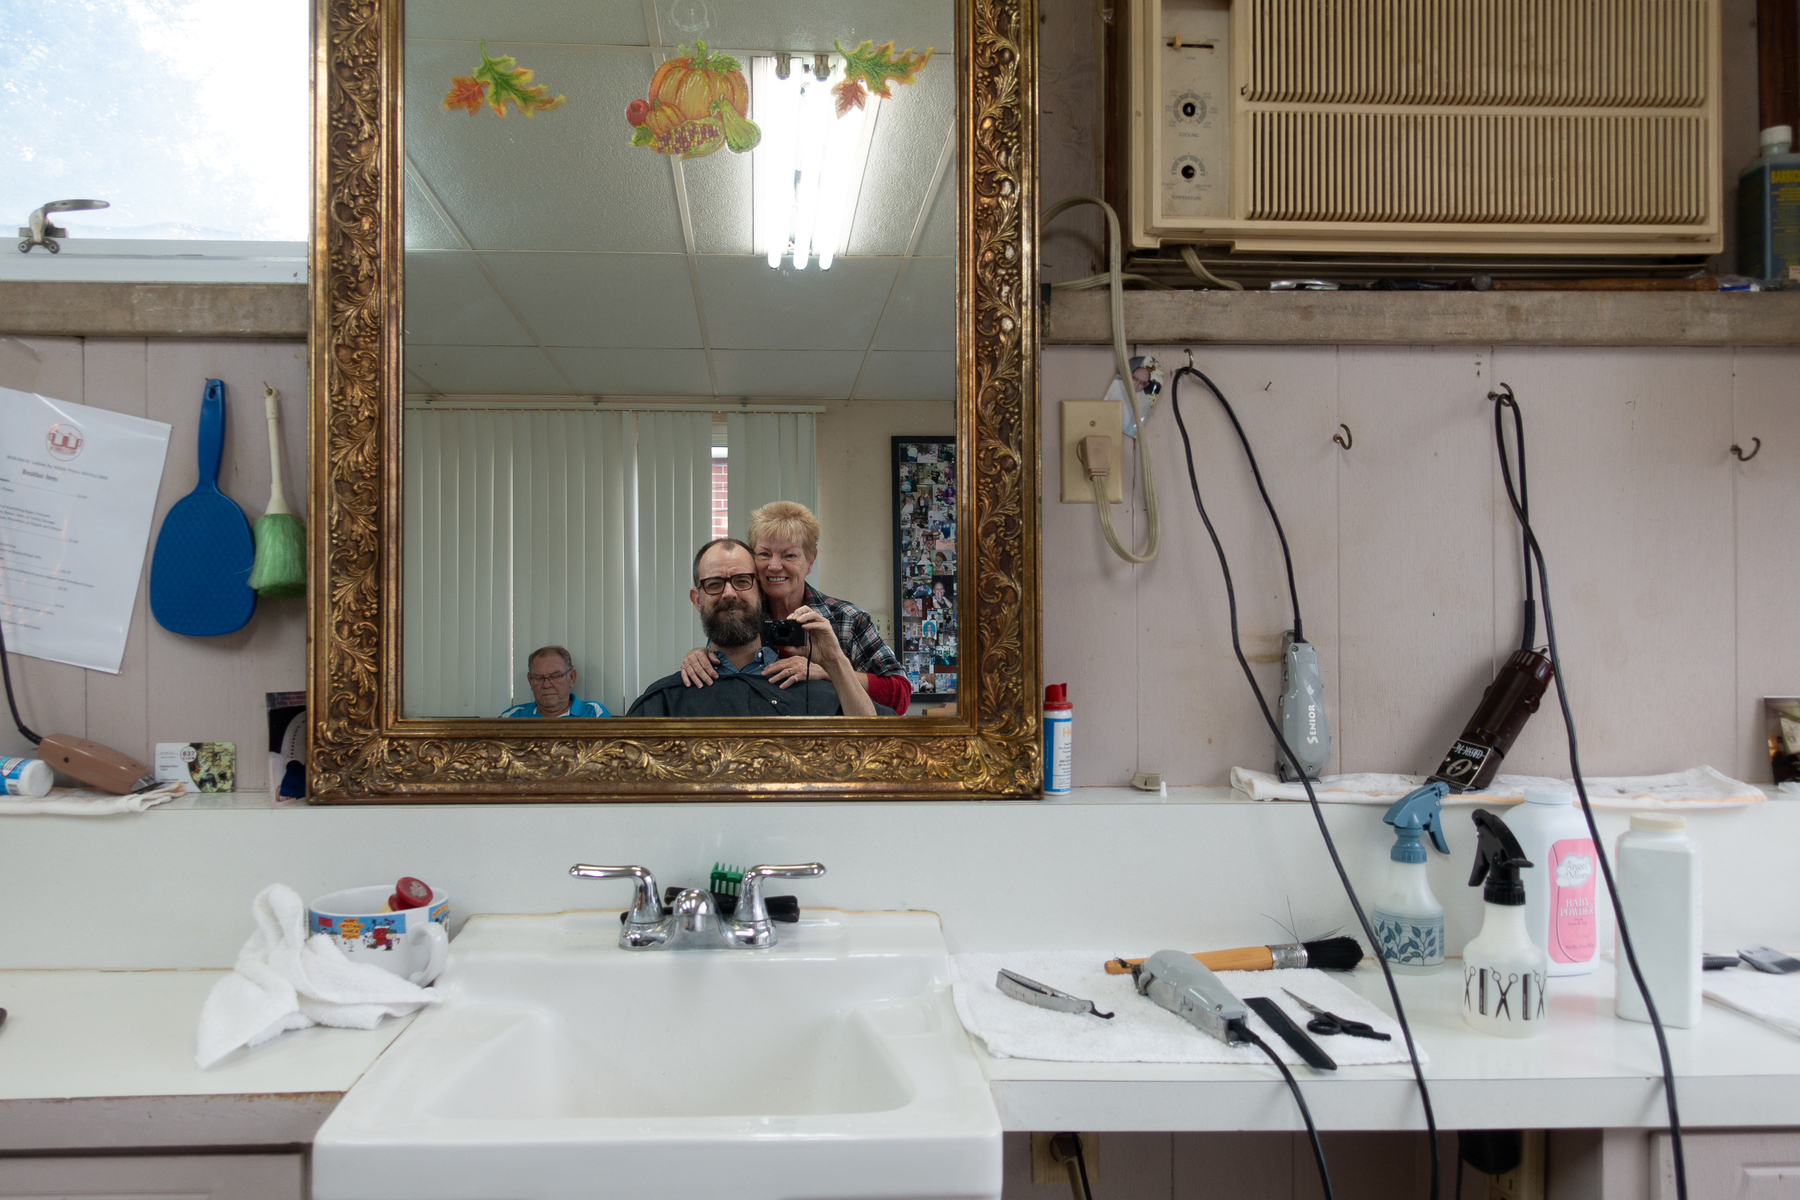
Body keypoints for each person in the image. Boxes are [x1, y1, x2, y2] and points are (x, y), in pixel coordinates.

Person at [677, 502, 913, 714]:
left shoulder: (845, 619)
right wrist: (700, 655)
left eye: (790, 555)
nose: (775, 565)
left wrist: (828, 671)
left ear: (810, 561)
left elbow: (900, 697)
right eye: (764, 554)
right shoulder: (743, 612)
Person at [628, 538, 879, 717]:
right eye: (714, 584)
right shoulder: (663, 702)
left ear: (761, 592)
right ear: (697, 600)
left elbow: (875, 754)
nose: (729, 593)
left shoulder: (817, 689)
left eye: (741, 581)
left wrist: (834, 662)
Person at [500, 646, 610, 717]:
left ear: (572, 678)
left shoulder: (594, 713)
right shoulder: (511, 717)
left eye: (555, 676)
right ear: (530, 681)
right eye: (538, 677)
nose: (546, 685)